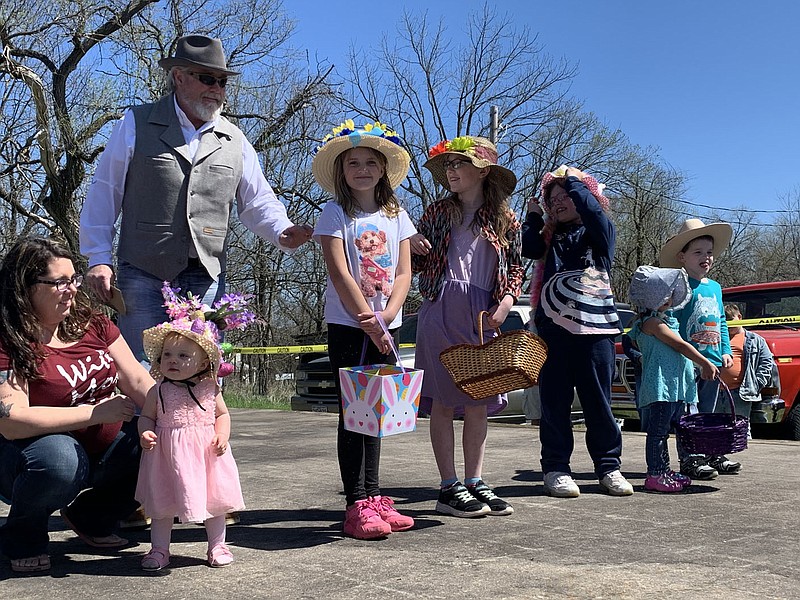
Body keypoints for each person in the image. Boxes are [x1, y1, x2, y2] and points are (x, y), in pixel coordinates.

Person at [79, 34, 313, 363]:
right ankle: (137, 418)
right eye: (207, 78)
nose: (216, 88)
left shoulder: (235, 139)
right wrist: (98, 257)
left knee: (200, 373)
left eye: (221, 81)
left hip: (206, 277)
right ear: (179, 77)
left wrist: (282, 231)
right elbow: (104, 192)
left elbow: (258, 201)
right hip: (143, 272)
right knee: (141, 372)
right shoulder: (134, 124)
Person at [0, 237, 153, 573]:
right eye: (59, 282)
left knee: (158, 441)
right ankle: (22, 536)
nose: (71, 290)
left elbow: (139, 381)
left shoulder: (93, 323)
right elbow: (11, 420)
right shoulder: (8, 337)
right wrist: (95, 413)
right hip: (27, 456)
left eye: (73, 279)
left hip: (99, 446)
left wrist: (182, 411)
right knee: (58, 459)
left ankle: (91, 516)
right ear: (24, 286)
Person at [311, 119, 416, 539]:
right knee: (354, 414)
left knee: (378, 412)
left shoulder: (397, 215)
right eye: (353, 163)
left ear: (382, 169)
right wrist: (366, 320)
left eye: (370, 162)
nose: (362, 170)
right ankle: (355, 503)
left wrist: (387, 316)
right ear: (342, 171)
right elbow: (339, 273)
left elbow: (406, 273)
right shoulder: (334, 213)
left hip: (386, 327)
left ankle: (374, 496)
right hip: (350, 327)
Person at [411, 135, 523, 517]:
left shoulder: (506, 219)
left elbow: (517, 268)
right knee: (443, 400)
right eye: (449, 166)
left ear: (483, 171)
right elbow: (416, 261)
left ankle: (475, 481)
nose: (452, 172)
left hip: (483, 314)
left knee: (478, 399)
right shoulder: (437, 212)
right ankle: (448, 486)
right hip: (441, 306)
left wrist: (506, 303)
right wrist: (412, 248)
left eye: (460, 164)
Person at [522, 165, 633, 498]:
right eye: (552, 198)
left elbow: (593, 210)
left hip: (596, 332)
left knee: (599, 403)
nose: (559, 202)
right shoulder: (549, 238)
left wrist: (571, 179)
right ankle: (556, 468)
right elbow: (529, 248)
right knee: (554, 403)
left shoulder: (600, 233)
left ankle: (609, 467)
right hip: (553, 332)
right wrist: (533, 217)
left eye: (566, 196)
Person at [135, 283, 251, 570]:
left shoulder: (210, 388)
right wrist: (144, 432)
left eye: (183, 356)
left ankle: (217, 545)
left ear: (203, 363)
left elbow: (222, 415)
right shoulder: (158, 390)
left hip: (206, 454)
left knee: (214, 502)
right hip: (166, 455)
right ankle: (159, 549)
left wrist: (222, 435)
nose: (172, 361)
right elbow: (146, 416)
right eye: (167, 356)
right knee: (161, 505)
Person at [627, 266, 719, 492]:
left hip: (676, 385)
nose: (668, 298)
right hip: (662, 386)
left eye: (669, 293)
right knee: (658, 432)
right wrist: (704, 362)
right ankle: (655, 474)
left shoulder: (666, 320)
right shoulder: (651, 323)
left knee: (671, 430)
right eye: (663, 294)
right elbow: (679, 345)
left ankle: (665, 470)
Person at [659, 218, 734, 479]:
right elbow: (673, 324)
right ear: (682, 257)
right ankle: (690, 458)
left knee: (709, 413)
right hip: (689, 362)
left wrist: (726, 350)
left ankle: (712, 452)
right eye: (698, 252)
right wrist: (690, 359)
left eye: (710, 253)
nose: (706, 258)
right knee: (689, 413)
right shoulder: (677, 286)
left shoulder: (715, 287)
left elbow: (722, 321)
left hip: (714, 360)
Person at [718, 303, 774, 447]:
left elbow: (767, 362)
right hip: (715, 392)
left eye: (730, 320)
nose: (727, 325)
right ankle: (719, 457)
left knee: (741, 428)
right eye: (724, 321)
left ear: (740, 318)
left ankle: (743, 458)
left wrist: (756, 383)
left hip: (741, 392)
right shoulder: (717, 339)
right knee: (716, 429)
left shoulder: (755, 340)